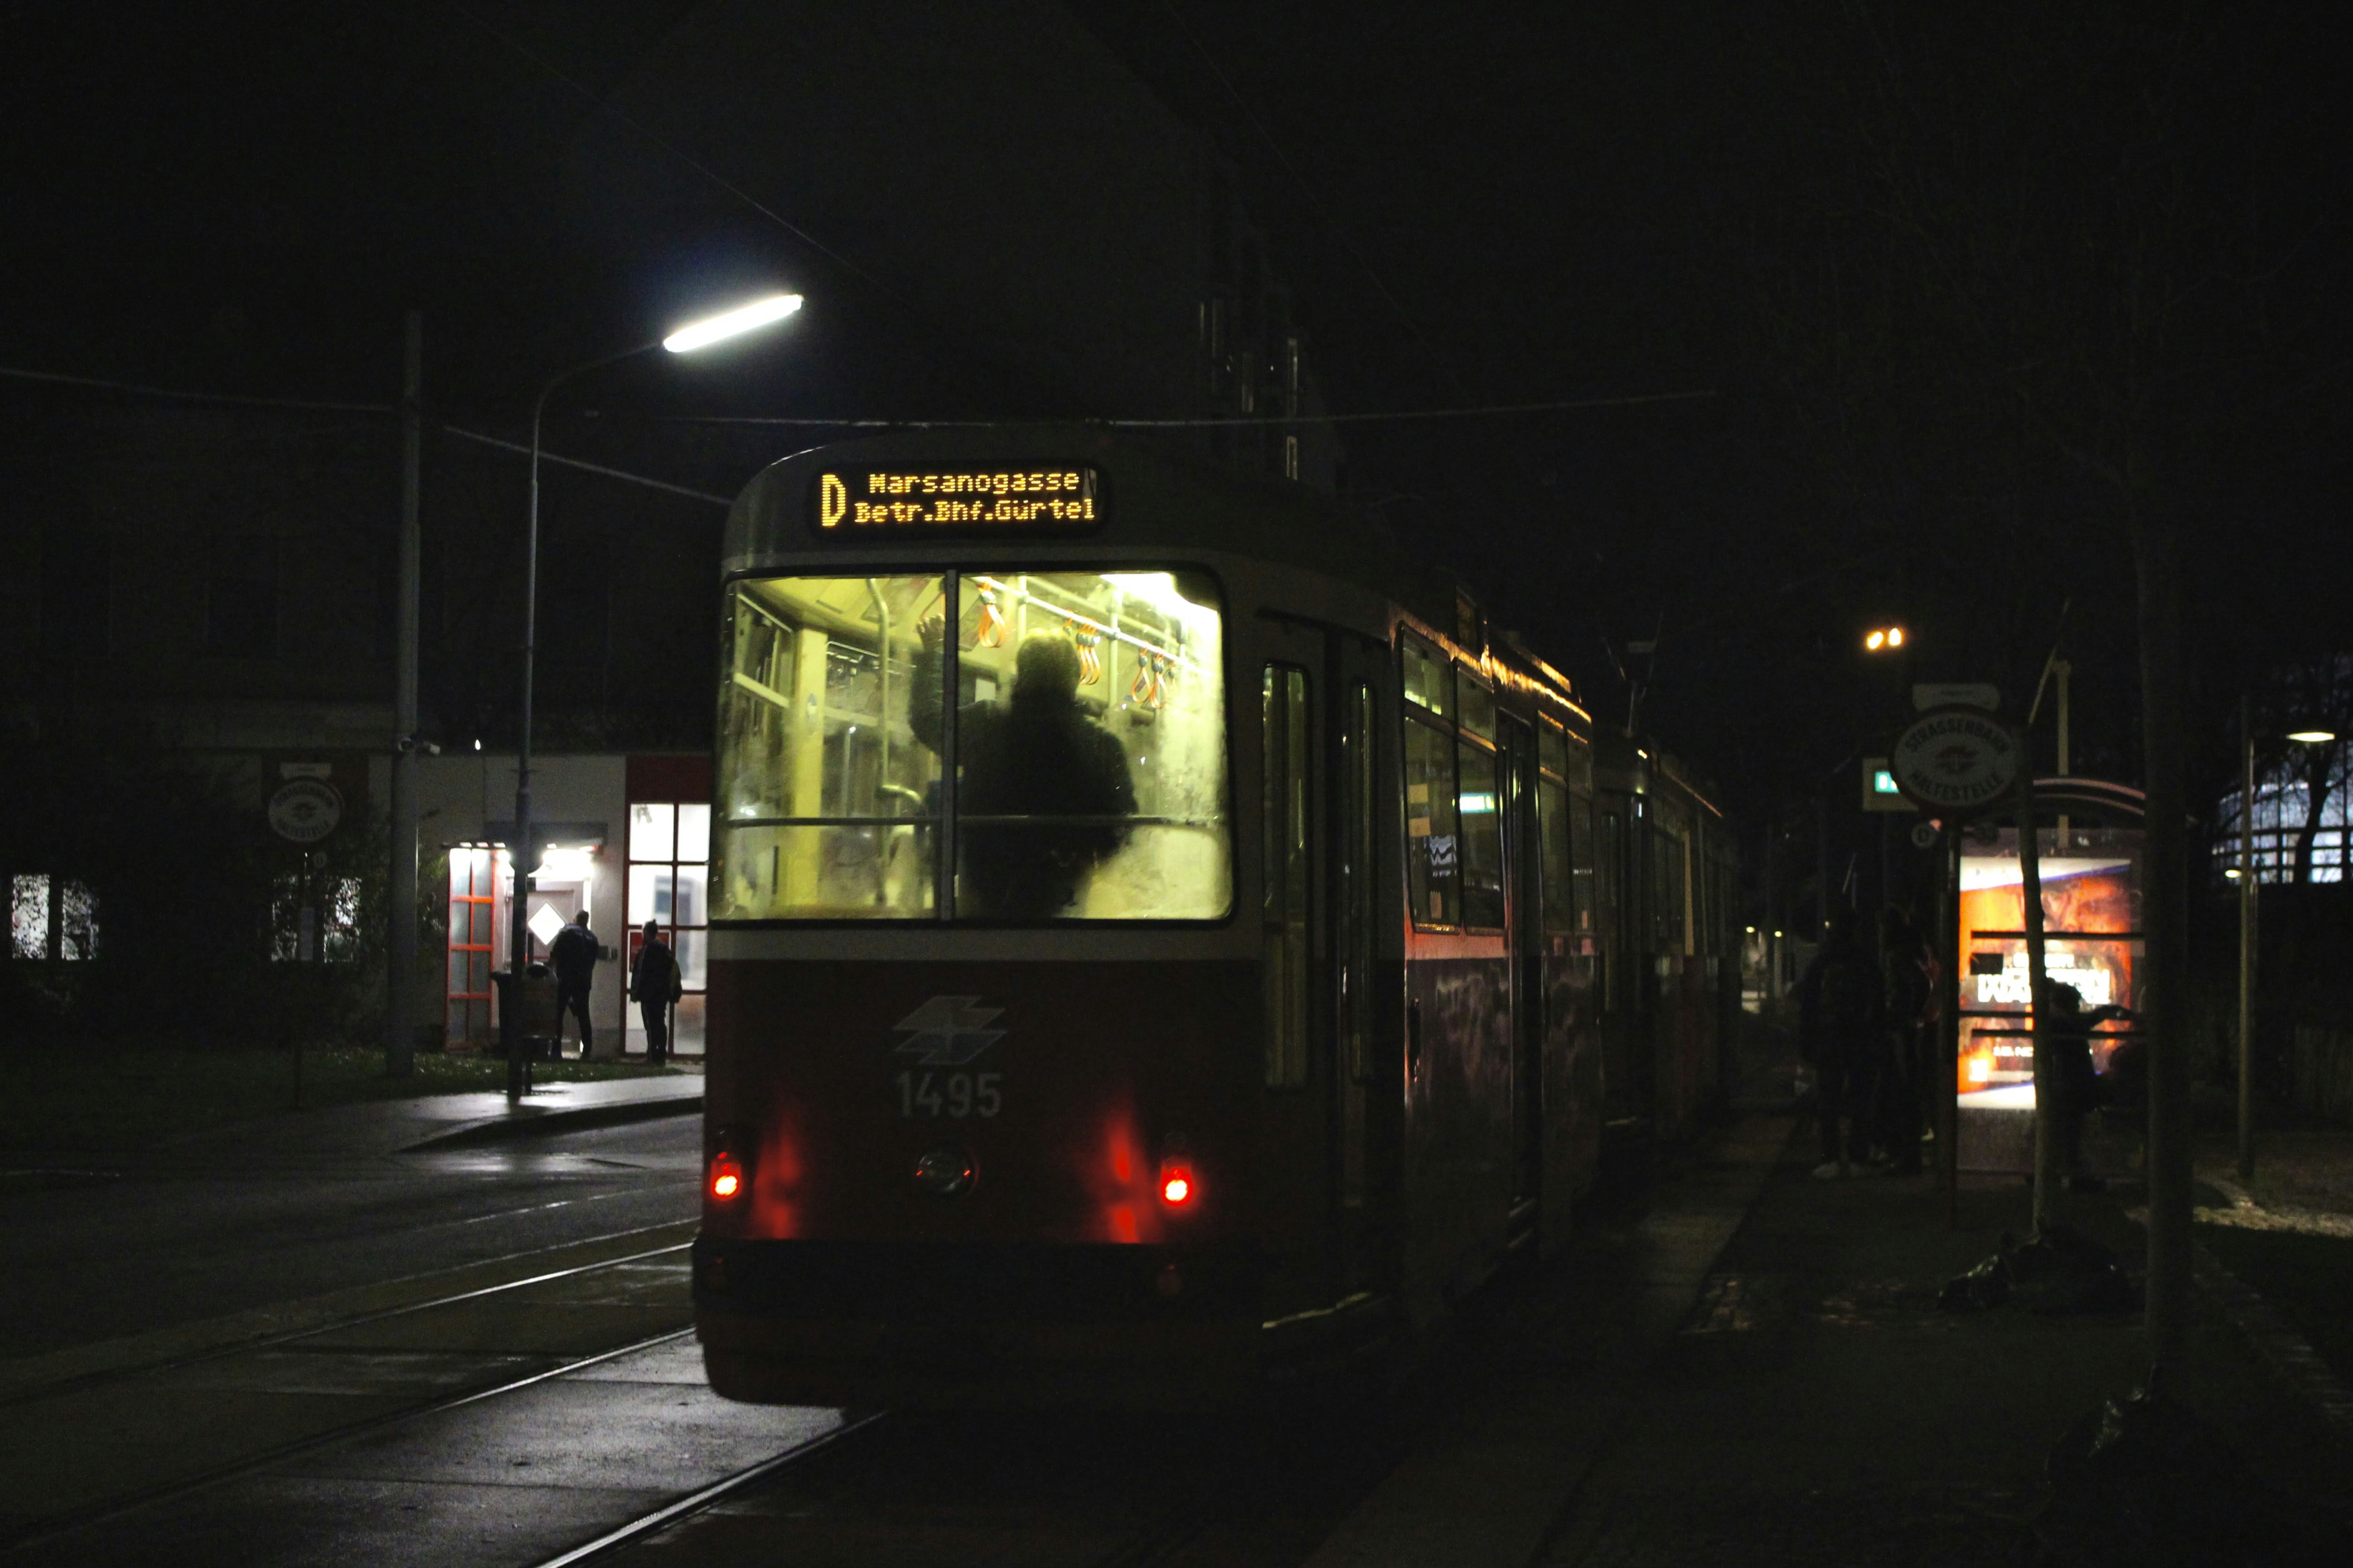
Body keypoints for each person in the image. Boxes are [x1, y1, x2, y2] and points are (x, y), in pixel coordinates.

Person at [910, 617, 1137, 918]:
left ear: (1021, 675)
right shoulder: (1101, 745)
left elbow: (928, 719)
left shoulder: (987, 725)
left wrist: (934, 655)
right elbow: (1121, 827)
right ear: (1076, 678)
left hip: (986, 887)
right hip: (1062, 889)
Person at [1798, 907, 1885, 1178]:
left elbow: (1808, 1005)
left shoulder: (1822, 962)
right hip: (1862, 1041)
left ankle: (1831, 1159)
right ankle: (1858, 1158)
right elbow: (1880, 1003)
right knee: (1862, 1102)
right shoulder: (1867, 962)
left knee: (1829, 1102)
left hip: (1830, 1040)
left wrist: (1807, 1044)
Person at [2042, 982, 2137, 1191]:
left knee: (2068, 1134)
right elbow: (2086, 1021)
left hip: (2069, 1086)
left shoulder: (2058, 1021)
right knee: (2070, 1133)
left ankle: (2065, 1174)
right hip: (2072, 1086)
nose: (2078, 1008)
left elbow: (2089, 1019)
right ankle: (2072, 1176)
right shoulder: (2061, 1023)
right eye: (2075, 1004)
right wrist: (2113, 1013)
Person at [1876, 905, 1939, 1176]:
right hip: (1919, 1031)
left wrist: (1901, 1016)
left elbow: (1907, 990)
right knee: (1914, 1093)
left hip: (1905, 1033)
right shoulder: (1921, 953)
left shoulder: (1898, 957)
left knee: (1904, 1093)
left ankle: (1907, 1157)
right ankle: (1910, 1154)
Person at [629, 919, 683, 1066]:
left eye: (643, 933)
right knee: (660, 1024)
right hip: (661, 995)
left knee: (652, 1026)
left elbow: (642, 974)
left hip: (650, 995)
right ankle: (660, 1054)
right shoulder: (665, 949)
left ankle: (653, 1056)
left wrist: (637, 993)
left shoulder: (648, 950)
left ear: (647, 933)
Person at [547, 910, 599, 1058]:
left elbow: (555, 953)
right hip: (583, 981)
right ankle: (587, 1050)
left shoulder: (567, 932)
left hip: (565, 979)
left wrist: (549, 969)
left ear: (576, 920)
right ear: (586, 921)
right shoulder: (593, 938)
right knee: (584, 1015)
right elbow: (592, 962)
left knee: (559, 1014)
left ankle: (556, 1050)